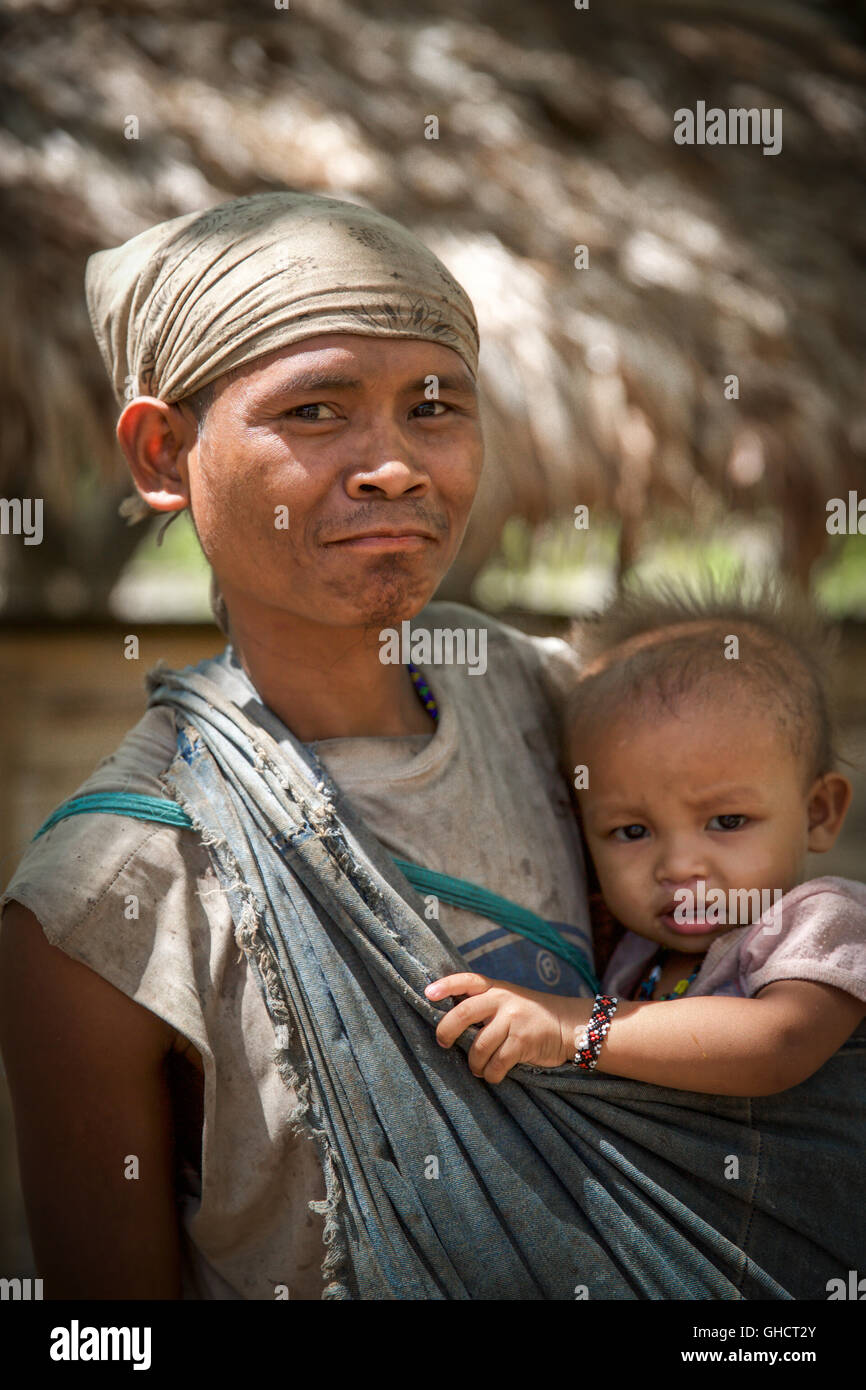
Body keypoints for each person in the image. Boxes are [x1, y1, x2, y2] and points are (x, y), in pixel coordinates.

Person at [1, 192, 863, 1301]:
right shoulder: (108, 900)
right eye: (315, 410)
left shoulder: (556, 706)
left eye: (434, 405)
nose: (394, 465)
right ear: (164, 450)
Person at [426, 584, 866, 1097]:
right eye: (632, 831)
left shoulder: (822, 922)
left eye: (726, 822)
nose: (680, 866)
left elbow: (778, 1043)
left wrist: (574, 1027)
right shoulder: (631, 953)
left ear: (819, 812)